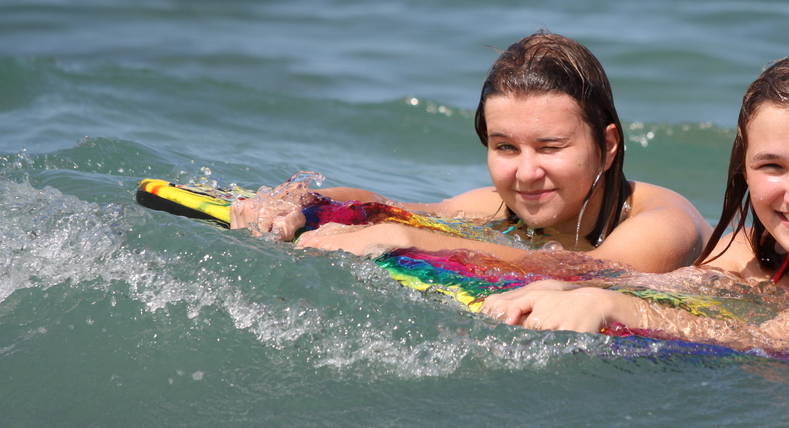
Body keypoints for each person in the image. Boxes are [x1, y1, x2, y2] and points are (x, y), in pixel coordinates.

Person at [480, 45, 789, 354]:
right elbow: (655, 292)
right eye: (772, 167)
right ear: (745, 173)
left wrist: (614, 308)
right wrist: (562, 291)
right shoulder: (743, 256)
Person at [229, 31, 711, 273]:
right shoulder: (502, 212)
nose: (526, 173)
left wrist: (408, 241)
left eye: (550, 147)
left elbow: (586, 272)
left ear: (607, 147)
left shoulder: (664, 222)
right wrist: (305, 203)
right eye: (505, 147)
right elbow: (403, 209)